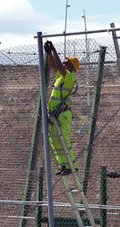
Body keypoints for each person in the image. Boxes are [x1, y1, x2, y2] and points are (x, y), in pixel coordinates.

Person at [43, 40, 79, 176]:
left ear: (71, 67)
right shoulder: (60, 77)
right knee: (55, 141)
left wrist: (54, 50)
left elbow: (59, 65)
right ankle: (63, 166)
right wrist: (49, 54)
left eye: (67, 62)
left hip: (62, 114)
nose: (64, 63)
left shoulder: (69, 77)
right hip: (54, 114)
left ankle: (72, 166)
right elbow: (54, 65)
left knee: (63, 139)